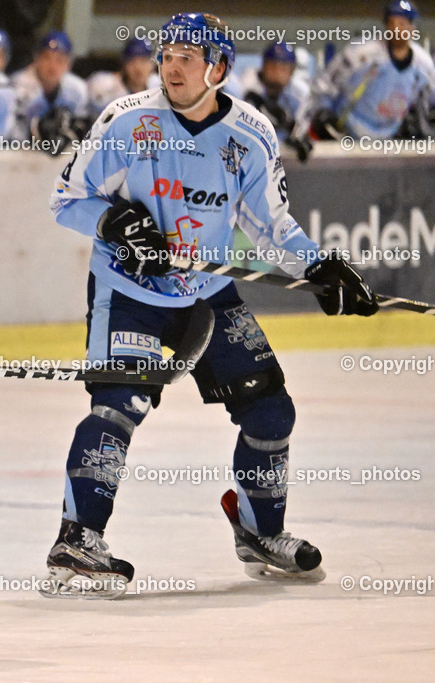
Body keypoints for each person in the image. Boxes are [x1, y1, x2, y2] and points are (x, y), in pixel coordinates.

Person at [45, 12, 379, 598]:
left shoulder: (250, 134)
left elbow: (271, 226)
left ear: (218, 68)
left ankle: (259, 532)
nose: (171, 67)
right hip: (130, 292)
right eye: (167, 55)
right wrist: (114, 220)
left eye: (187, 57)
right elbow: (66, 199)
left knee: (271, 410)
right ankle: (78, 541)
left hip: (206, 291)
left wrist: (319, 267)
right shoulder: (126, 122)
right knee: (117, 407)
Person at [298, 0, 435, 143]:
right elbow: (324, 84)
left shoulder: (423, 64)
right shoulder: (361, 53)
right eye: (392, 23)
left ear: (413, 27)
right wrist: (323, 112)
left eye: (402, 24)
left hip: (391, 138)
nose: (396, 29)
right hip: (347, 134)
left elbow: (430, 102)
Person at [11, 31, 90, 151]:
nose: (52, 65)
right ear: (36, 58)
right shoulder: (17, 86)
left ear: (69, 64)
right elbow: (11, 134)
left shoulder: (77, 89)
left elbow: (81, 132)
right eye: (47, 57)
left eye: (60, 60)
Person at [88, 38, 161, 117]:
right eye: (132, 62)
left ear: (153, 64)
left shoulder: (160, 86)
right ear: (124, 65)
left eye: (144, 61)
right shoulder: (105, 85)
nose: (138, 68)